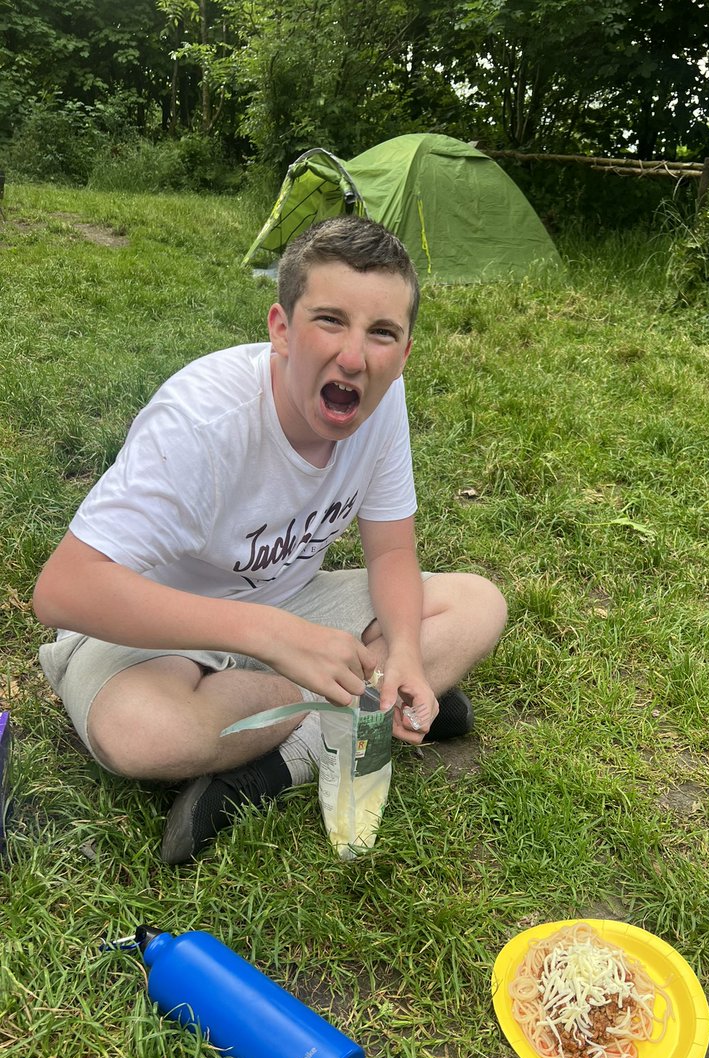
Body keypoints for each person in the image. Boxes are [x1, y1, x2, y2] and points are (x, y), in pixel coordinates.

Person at [32, 216, 507, 864]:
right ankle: (355, 713)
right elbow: (63, 590)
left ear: (403, 355)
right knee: (139, 733)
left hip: (294, 605)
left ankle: (271, 770)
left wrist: (405, 654)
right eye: (330, 320)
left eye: (382, 334)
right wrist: (268, 637)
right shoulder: (204, 421)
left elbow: (392, 551)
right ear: (281, 328)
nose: (354, 356)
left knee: (479, 606)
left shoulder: (381, 401)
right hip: (153, 627)